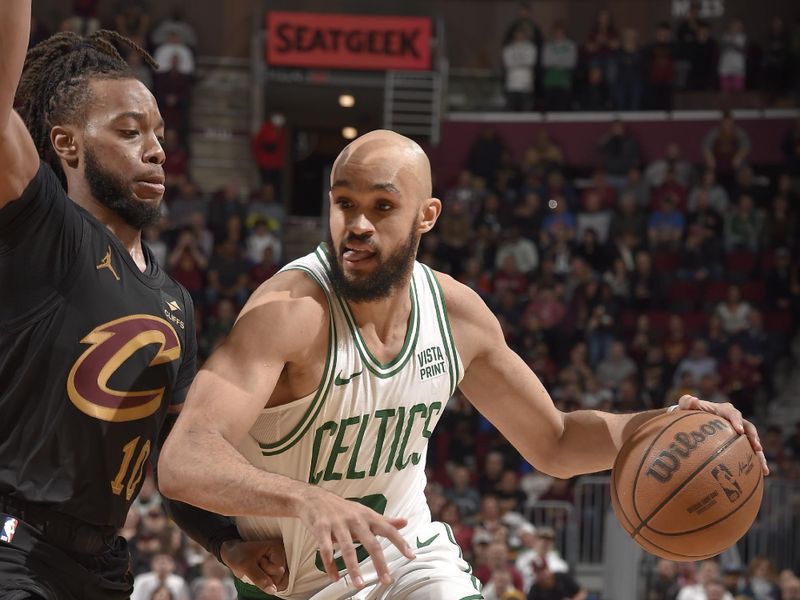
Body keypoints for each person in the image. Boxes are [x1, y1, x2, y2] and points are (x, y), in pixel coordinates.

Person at [159, 130, 767, 600]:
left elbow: (553, 442)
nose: (359, 224)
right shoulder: (288, 313)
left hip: (409, 562)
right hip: (293, 583)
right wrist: (305, 501)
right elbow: (184, 459)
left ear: (427, 216)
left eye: (383, 205)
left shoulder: (457, 317)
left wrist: (658, 426)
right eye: (345, 204)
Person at [0, 4, 285, 597]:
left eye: (158, 133)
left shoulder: (175, 300)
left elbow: (176, 466)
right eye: (130, 133)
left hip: (103, 565)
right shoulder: (45, 232)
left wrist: (230, 544)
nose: (155, 149)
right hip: (14, 548)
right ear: (67, 146)